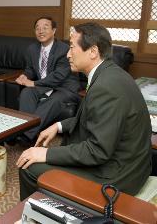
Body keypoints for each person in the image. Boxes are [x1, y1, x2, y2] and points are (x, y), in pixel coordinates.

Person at [17, 22, 152, 200]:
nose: (67, 54)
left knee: (29, 167)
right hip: (128, 164)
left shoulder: (106, 87)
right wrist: (57, 126)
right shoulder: (109, 73)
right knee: (63, 144)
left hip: (118, 175)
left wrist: (46, 153)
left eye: (72, 48)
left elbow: (98, 151)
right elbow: (95, 117)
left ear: (93, 52)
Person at [14, 16, 80, 144]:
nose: (41, 31)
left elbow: (58, 77)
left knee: (53, 101)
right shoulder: (32, 49)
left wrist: (33, 83)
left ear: (54, 30)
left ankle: (25, 134)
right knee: (26, 93)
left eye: (45, 27)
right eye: (37, 28)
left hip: (64, 87)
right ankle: (23, 131)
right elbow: (31, 69)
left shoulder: (64, 50)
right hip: (44, 86)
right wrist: (25, 76)